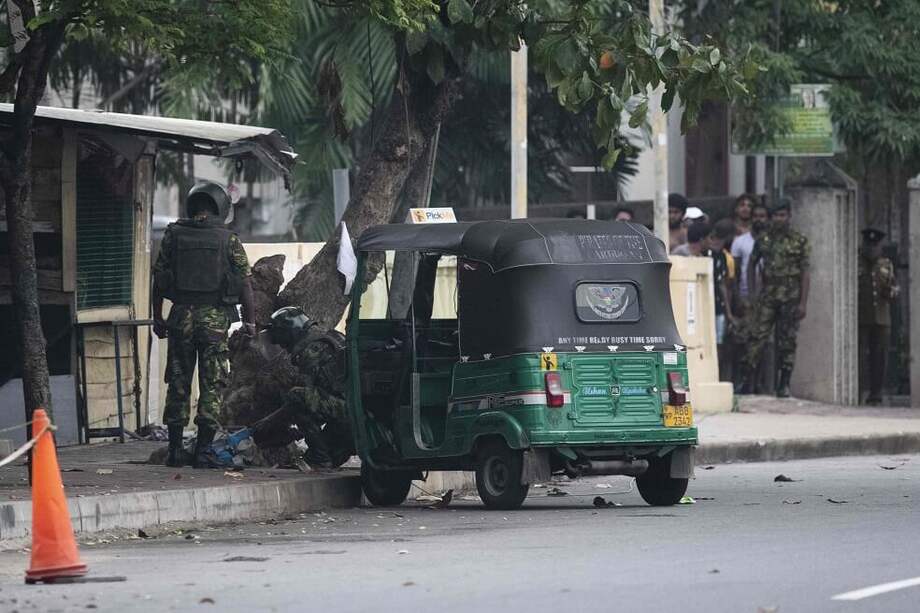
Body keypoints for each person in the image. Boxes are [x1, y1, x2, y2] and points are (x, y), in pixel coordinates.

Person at [153, 182, 256, 468]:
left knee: (178, 382)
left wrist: (157, 317)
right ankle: (203, 451)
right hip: (214, 322)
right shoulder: (229, 239)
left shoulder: (173, 234)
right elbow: (245, 284)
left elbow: (159, 278)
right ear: (221, 208)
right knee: (212, 385)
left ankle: (174, 450)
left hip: (180, 317)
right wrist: (250, 322)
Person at [266, 306, 353, 468]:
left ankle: (320, 458)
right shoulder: (330, 336)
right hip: (359, 408)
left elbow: (308, 400)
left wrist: (273, 422)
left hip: (347, 410)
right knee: (330, 456)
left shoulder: (309, 351)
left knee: (296, 396)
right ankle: (323, 457)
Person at [742, 199, 810, 398]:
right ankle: (748, 381)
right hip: (768, 295)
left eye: (782, 215)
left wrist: (803, 302)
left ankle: (784, 384)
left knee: (787, 341)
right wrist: (753, 293)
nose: (779, 220)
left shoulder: (800, 240)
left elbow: (805, 273)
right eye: (775, 216)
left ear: (789, 216)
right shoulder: (763, 240)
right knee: (756, 337)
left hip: (790, 297)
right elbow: (751, 264)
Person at [858, 228, 898, 405]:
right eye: (869, 245)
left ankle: (876, 393)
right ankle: (857, 391)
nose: (871, 248)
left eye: (875, 245)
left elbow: (894, 288)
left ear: (880, 247)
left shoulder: (886, 264)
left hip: (881, 317)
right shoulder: (856, 262)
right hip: (861, 317)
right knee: (858, 356)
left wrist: (891, 292)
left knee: (879, 357)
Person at [707, 219, 737, 380]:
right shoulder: (704, 254)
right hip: (704, 307)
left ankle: (716, 375)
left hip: (718, 306)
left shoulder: (724, 257)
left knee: (719, 341)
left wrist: (728, 312)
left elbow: (723, 285)